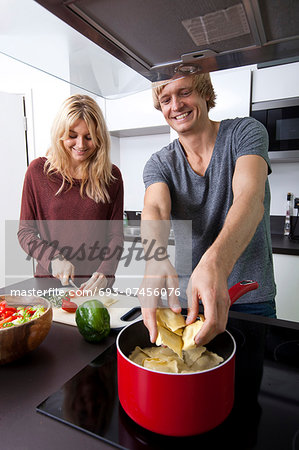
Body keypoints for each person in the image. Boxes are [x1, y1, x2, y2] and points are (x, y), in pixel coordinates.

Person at [139, 70, 276, 346]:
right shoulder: (159, 163)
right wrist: (154, 256)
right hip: (190, 303)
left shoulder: (245, 132)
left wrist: (215, 262)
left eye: (185, 92)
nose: (175, 105)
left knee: (249, 386)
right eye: (166, 99)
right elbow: (155, 208)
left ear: (205, 93)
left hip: (249, 296)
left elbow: (250, 200)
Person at [18, 94, 124, 292]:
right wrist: (54, 258)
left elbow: (115, 236)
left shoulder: (112, 176)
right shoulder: (38, 171)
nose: (81, 145)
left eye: (89, 137)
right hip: (48, 286)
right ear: (60, 134)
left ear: (99, 137)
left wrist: (105, 273)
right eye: (72, 136)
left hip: (94, 287)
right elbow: (25, 232)